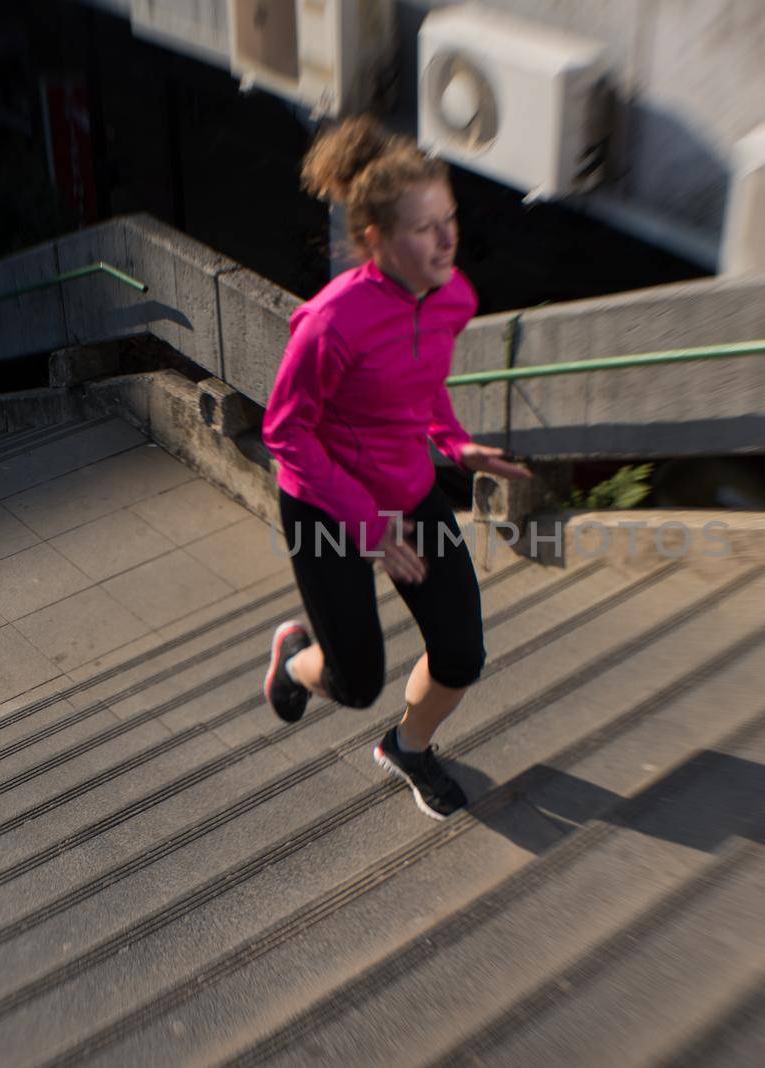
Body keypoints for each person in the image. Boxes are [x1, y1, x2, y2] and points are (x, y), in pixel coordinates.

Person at [261, 116, 531, 820]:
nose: (446, 241)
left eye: (450, 220)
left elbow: (423, 377)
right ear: (376, 239)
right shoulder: (330, 323)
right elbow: (284, 433)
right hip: (327, 504)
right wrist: (371, 530)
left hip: (408, 489)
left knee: (462, 653)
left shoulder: (454, 295)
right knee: (354, 682)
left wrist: (454, 440)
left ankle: (408, 748)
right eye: (424, 228)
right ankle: (294, 658)